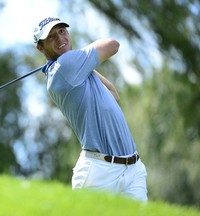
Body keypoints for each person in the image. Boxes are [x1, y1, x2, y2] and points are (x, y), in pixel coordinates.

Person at [34, 17, 148, 202]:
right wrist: (83, 61)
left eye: (62, 31)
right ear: (40, 48)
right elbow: (113, 44)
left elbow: (113, 94)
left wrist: (87, 66)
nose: (60, 38)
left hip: (133, 169)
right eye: (51, 37)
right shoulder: (67, 65)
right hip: (99, 172)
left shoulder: (73, 69)